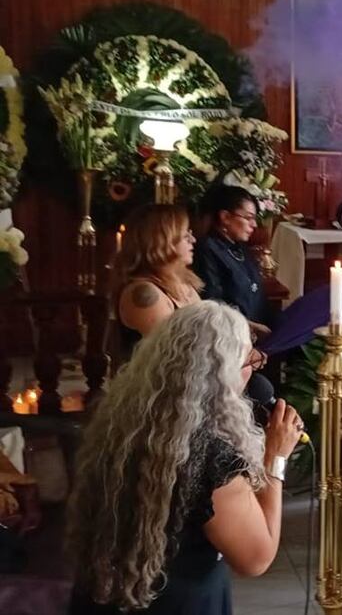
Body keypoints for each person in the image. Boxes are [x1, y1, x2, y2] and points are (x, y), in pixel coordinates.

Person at [66, 302, 305, 614]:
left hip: (107, 592)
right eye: (248, 361)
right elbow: (256, 558)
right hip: (179, 601)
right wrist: (276, 459)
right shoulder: (211, 457)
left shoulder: (118, 420)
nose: (253, 371)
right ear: (222, 373)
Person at [113, 204, 202, 357]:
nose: (193, 240)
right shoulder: (144, 291)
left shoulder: (185, 283)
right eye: (185, 235)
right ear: (162, 241)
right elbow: (171, 354)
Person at [193, 185, 273, 337]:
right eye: (248, 218)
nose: (254, 225)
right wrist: (248, 325)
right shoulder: (207, 249)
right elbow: (212, 303)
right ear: (225, 217)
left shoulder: (239, 246)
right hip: (230, 335)